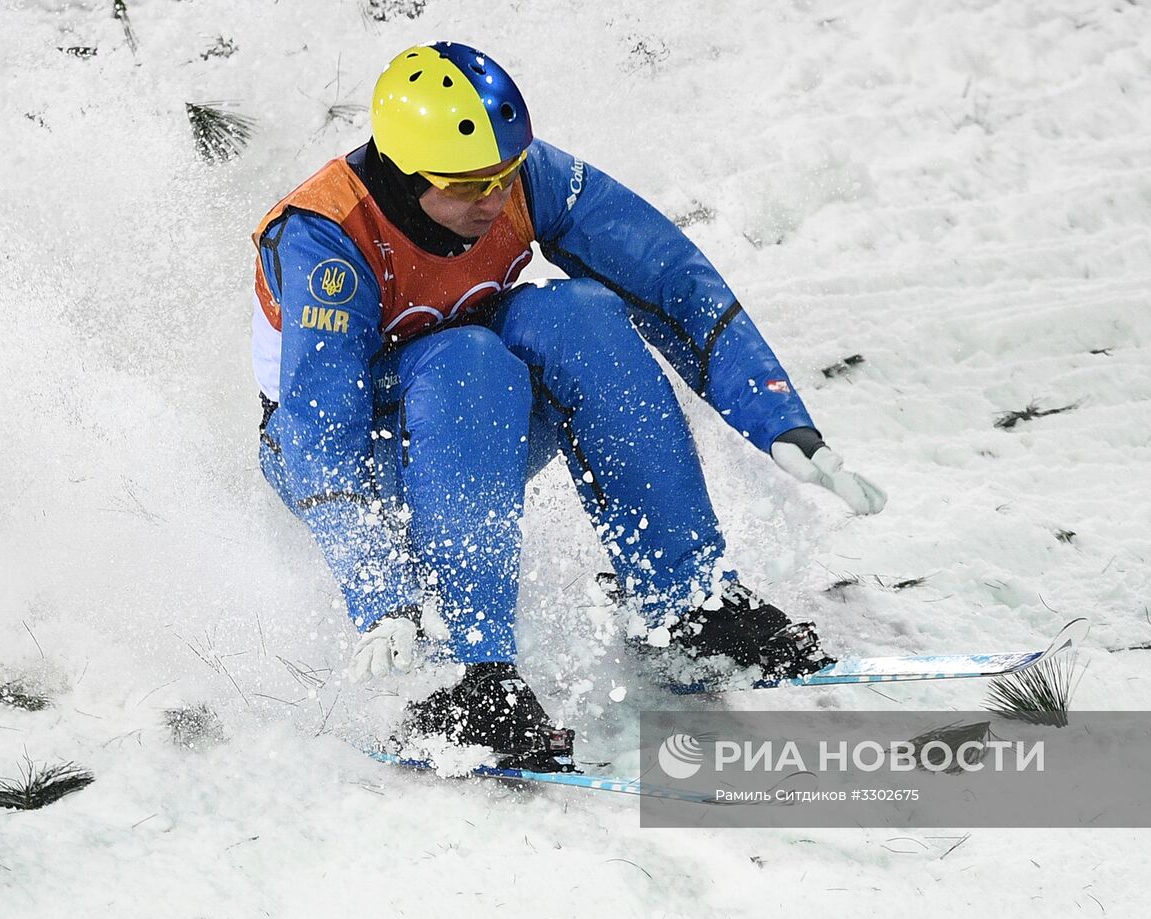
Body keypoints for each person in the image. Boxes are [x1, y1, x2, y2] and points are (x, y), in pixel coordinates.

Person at [250, 41, 886, 770]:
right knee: (468, 358)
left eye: (505, 176)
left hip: (474, 422)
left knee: (581, 315)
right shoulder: (326, 238)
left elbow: (668, 276)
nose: (495, 200)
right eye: (469, 186)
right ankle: (471, 676)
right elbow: (317, 434)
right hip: (354, 462)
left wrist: (779, 417)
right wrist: (381, 595)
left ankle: (686, 601)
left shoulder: (519, 181)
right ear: (405, 172)